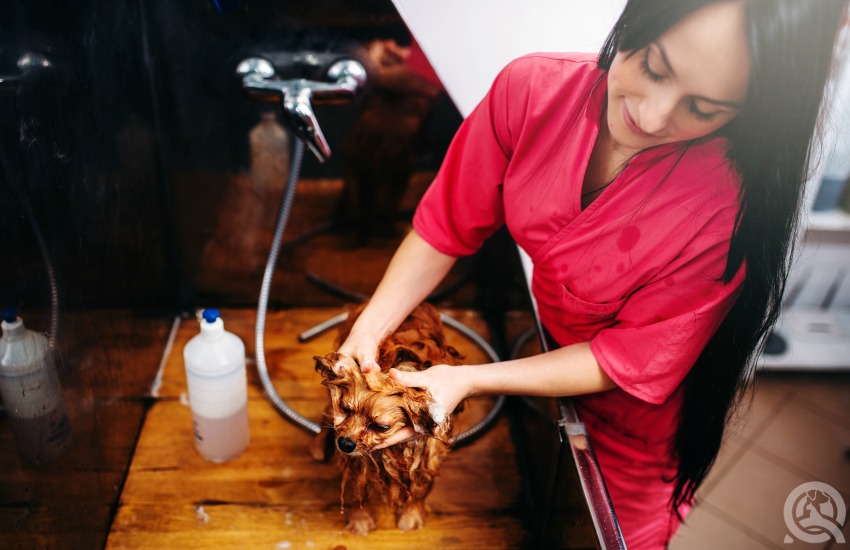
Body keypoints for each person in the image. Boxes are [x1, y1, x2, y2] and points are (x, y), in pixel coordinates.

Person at [335, 0, 849, 547]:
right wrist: (368, 330)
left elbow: (623, 360)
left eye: (702, 107)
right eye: (652, 66)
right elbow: (445, 227)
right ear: (634, 20)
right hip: (551, 354)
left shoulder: (730, 210)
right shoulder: (532, 91)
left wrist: (467, 379)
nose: (650, 117)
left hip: (636, 422)